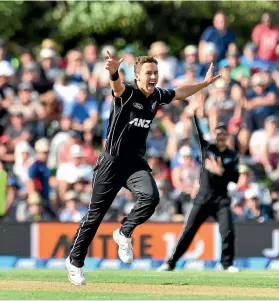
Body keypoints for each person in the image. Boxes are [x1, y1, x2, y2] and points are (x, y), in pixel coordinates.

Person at [65, 51, 220, 285]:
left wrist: (205, 84)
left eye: (156, 73)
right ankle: (74, 262)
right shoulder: (127, 93)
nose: (153, 77)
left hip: (135, 163)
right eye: (148, 73)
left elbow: (180, 93)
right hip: (111, 163)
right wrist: (113, 71)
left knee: (151, 198)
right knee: (95, 216)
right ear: (137, 76)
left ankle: (124, 232)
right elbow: (116, 87)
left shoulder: (157, 95)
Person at [157, 100, 240, 272]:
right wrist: (193, 114)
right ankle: (170, 263)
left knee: (228, 232)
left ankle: (227, 264)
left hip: (221, 200)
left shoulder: (232, 155)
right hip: (202, 198)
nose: (220, 137)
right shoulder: (207, 149)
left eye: (223, 134)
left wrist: (221, 171)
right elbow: (197, 133)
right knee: (188, 232)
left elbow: (236, 178)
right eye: (217, 134)